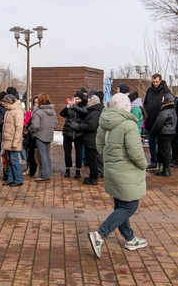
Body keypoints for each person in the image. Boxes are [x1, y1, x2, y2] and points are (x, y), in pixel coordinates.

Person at [87, 93, 148, 258]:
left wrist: (111, 157)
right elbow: (136, 153)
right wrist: (144, 165)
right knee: (129, 207)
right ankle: (100, 234)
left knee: (120, 206)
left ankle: (130, 238)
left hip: (112, 171)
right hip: (127, 173)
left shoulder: (104, 124)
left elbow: (99, 147)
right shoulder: (128, 125)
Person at [72, 93, 104, 185]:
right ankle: (93, 176)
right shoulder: (94, 111)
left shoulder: (94, 113)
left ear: (93, 102)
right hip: (91, 139)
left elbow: (91, 126)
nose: (88, 102)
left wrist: (79, 126)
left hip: (91, 139)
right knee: (91, 159)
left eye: (90, 100)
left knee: (92, 159)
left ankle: (94, 178)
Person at [28, 93, 58, 182]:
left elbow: (35, 126)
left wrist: (29, 130)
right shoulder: (52, 111)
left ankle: (44, 175)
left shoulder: (38, 112)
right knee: (47, 155)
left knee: (43, 156)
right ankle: (47, 173)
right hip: (49, 135)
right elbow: (55, 123)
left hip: (40, 135)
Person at [143, 74, 171, 169]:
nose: (155, 83)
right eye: (153, 82)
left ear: (160, 81)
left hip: (160, 122)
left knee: (160, 144)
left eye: (157, 82)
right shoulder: (149, 90)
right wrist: (146, 113)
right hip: (150, 120)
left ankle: (161, 163)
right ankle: (153, 162)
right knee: (151, 143)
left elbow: (169, 104)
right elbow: (145, 103)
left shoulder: (165, 91)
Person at [59, 92, 85, 179]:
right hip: (68, 131)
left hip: (78, 132)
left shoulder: (84, 107)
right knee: (67, 151)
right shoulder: (70, 107)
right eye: (75, 98)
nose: (76, 100)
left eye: (78, 99)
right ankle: (67, 169)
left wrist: (74, 106)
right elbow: (62, 114)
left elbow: (83, 113)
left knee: (78, 152)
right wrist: (67, 107)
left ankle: (78, 170)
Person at [150, 94, 177, 177]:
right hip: (171, 132)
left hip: (164, 133)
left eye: (163, 98)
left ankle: (165, 170)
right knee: (167, 150)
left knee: (164, 151)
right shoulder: (173, 110)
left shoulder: (164, 111)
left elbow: (159, 123)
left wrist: (153, 132)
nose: (161, 100)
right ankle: (167, 169)